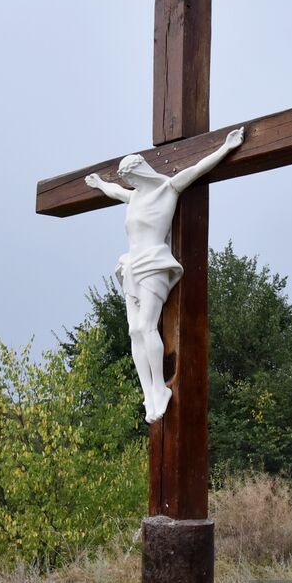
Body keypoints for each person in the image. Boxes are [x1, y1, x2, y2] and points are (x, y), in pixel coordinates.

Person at [84, 126, 245, 423]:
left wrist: (226, 147)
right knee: (134, 331)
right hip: (131, 264)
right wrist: (98, 184)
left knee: (147, 327)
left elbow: (197, 168)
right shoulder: (132, 198)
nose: (127, 182)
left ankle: (160, 388)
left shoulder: (168, 188)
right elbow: (113, 190)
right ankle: (149, 393)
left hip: (155, 263)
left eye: (130, 177)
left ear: (141, 173)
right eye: (126, 180)